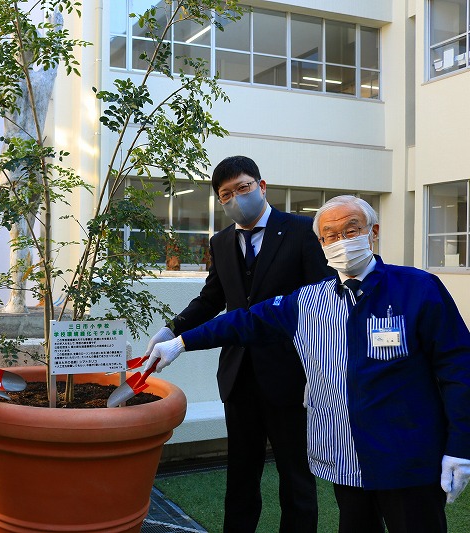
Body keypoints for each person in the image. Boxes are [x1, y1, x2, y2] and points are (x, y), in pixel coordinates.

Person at [146, 195, 470, 532]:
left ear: (373, 232)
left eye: (351, 230)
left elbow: (458, 368)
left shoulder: (417, 289)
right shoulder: (309, 300)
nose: (341, 241)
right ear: (321, 243)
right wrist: (181, 342)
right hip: (346, 458)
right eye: (330, 235)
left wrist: (460, 446)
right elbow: (243, 321)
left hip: (408, 458)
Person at [143, 156, 330, 532]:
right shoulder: (222, 241)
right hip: (238, 375)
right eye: (225, 194)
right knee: (240, 475)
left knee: (296, 474)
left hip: (293, 373)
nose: (235, 198)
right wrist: (170, 330)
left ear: (262, 186)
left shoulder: (301, 231)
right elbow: (213, 299)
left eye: (243, 188)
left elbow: (321, 302)